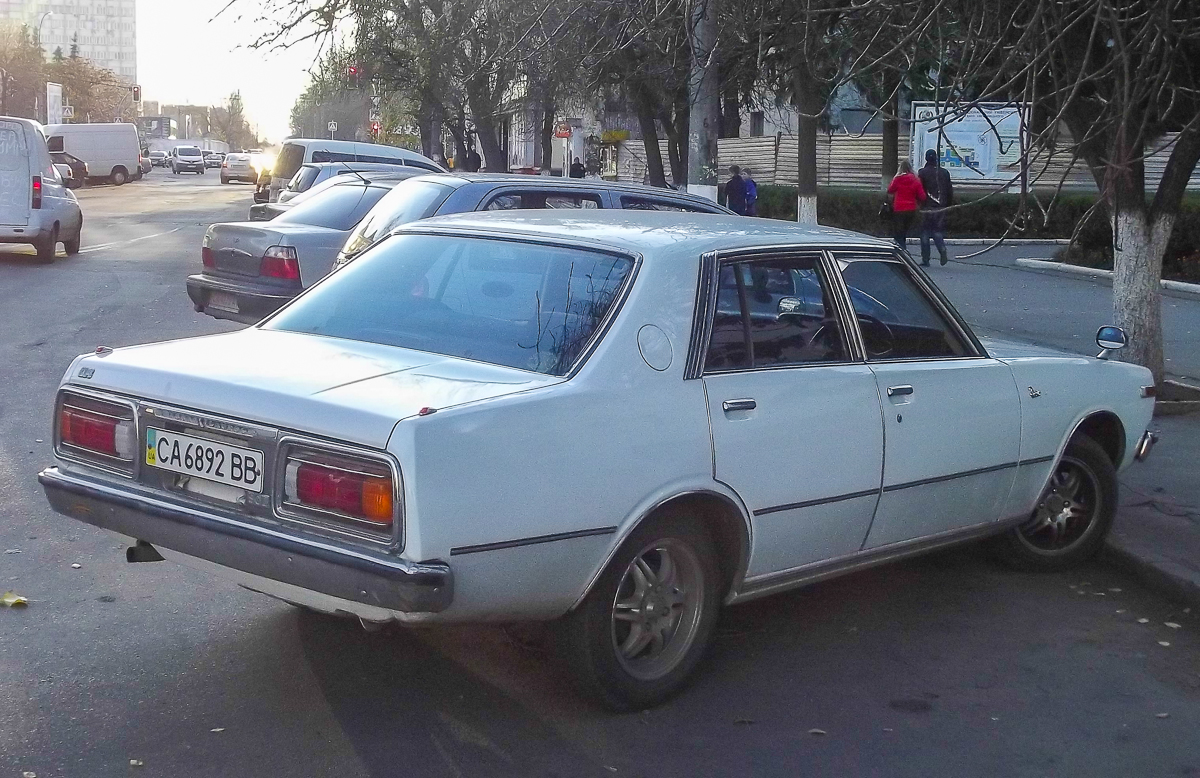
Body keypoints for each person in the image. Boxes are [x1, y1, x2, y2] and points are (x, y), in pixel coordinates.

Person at [918, 148, 953, 266]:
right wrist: (948, 204)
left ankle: (925, 259)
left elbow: (920, 190)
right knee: (937, 231)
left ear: (926, 159)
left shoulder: (922, 172)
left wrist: (919, 204)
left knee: (925, 233)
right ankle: (942, 249)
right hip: (941, 207)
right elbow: (949, 190)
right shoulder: (944, 172)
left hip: (927, 206)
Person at [886, 159, 925, 251]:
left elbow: (890, 190)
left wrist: (895, 178)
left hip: (899, 209)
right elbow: (922, 196)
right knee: (904, 231)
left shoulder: (898, 179)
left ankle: (902, 251)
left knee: (898, 232)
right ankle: (902, 249)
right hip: (911, 209)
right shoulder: (916, 180)